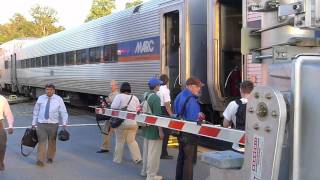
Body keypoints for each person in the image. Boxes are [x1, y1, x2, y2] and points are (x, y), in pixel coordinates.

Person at [173, 77, 203, 180]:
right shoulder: (191, 100)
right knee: (189, 161)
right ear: (191, 86)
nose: (199, 89)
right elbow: (194, 120)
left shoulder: (179, 96)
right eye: (198, 87)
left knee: (181, 158)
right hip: (189, 134)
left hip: (180, 132)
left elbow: (175, 112)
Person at [32, 84, 68, 167]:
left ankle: (50, 157)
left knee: (52, 142)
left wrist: (64, 123)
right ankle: (40, 160)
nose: (48, 91)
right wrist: (33, 123)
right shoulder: (41, 98)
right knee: (42, 141)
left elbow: (63, 112)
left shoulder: (59, 99)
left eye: (50, 90)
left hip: (53, 124)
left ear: (54, 91)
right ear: (45, 90)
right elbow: (36, 111)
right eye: (47, 89)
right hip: (41, 124)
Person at [111, 82, 142, 164]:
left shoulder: (119, 96)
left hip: (122, 123)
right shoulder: (135, 97)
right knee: (132, 141)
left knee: (120, 141)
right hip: (133, 124)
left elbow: (113, 107)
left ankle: (117, 159)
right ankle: (137, 158)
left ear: (121, 88)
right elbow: (139, 110)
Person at [141, 77, 164, 180]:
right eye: (159, 85)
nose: (160, 86)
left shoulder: (145, 95)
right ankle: (151, 175)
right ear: (155, 86)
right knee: (153, 154)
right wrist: (160, 131)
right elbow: (157, 117)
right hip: (154, 130)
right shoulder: (156, 98)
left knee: (146, 152)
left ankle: (144, 171)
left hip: (146, 128)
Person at [223, 80, 254, 152]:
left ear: (240, 90)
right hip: (254, 147)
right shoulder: (257, 104)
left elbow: (225, 125)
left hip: (238, 146)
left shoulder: (233, 104)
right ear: (252, 91)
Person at [97, 80, 119, 153]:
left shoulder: (117, 95)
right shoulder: (111, 94)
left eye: (112, 85)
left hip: (115, 117)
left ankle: (110, 148)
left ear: (116, 86)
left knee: (118, 134)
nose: (111, 87)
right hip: (109, 116)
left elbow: (115, 105)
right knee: (105, 131)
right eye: (110, 85)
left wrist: (109, 100)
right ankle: (104, 147)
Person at [157, 74, 173, 159]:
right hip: (164, 111)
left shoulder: (158, 89)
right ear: (167, 81)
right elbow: (167, 104)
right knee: (166, 133)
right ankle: (163, 153)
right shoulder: (166, 90)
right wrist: (171, 114)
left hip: (158, 110)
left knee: (160, 132)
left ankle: (160, 152)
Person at [0, 95, 14, 171]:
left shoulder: (2, 99)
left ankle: (0, 162)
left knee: (2, 145)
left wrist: (10, 125)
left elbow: (8, 113)